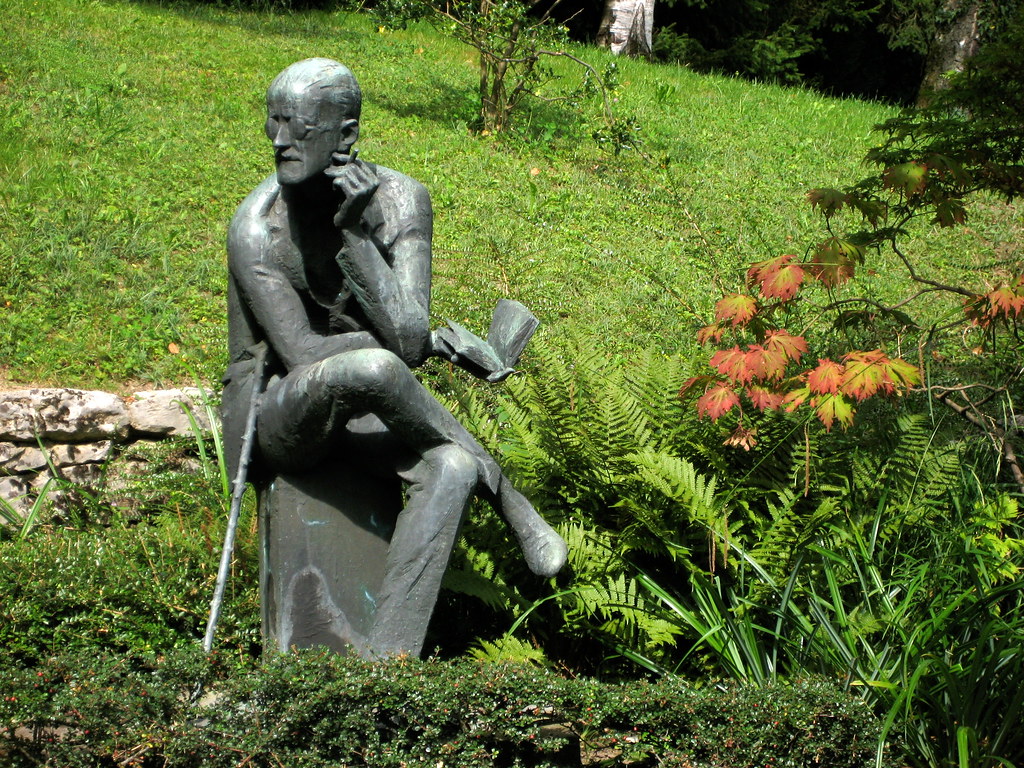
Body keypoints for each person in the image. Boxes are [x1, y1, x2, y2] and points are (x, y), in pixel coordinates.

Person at [222, 58, 566, 657]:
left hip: (367, 413)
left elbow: (406, 335)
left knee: (450, 469)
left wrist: (354, 237)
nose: (279, 141)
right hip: (278, 414)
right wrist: (426, 344)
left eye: (298, 128)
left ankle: (386, 673)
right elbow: (306, 354)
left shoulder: (404, 201)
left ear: (345, 137)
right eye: (274, 123)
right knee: (374, 369)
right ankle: (508, 496)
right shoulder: (258, 230)